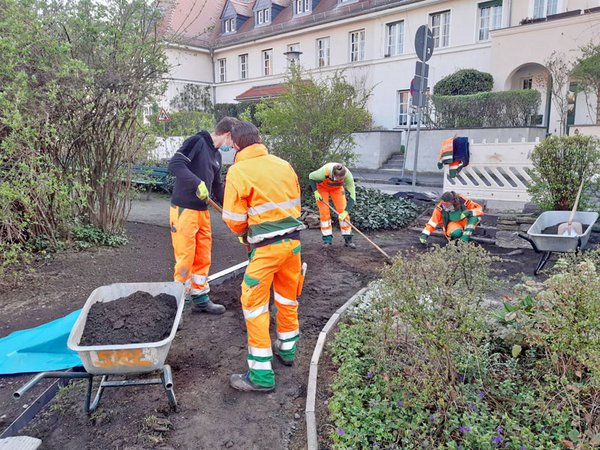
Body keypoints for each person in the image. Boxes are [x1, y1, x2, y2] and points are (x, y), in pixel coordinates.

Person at [222, 121, 304, 392]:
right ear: (259, 138)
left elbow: (234, 219)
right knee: (286, 298)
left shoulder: (238, 171)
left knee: (254, 305)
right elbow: (295, 204)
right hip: (292, 245)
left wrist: (245, 232)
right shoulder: (284, 165)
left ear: (235, 144)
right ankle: (287, 350)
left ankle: (261, 377)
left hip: (266, 250)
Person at [168, 116, 239, 314]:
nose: (233, 146)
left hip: (202, 212)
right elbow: (175, 164)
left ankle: (200, 298)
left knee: (203, 257)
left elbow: (217, 186)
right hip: (184, 210)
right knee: (185, 258)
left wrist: (232, 210)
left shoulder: (216, 156)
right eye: (233, 141)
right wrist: (196, 182)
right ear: (227, 134)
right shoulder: (197, 142)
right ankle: (178, 307)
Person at [308, 163, 357, 248]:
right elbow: (311, 176)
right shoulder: (324, 172)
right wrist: (315, 192)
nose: (340, 180)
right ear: (333, 174)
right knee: (324, 212)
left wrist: (346, 212)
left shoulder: (348, 176)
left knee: (342, 210)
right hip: (322, 188)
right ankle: (327, 240)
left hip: (337, 189)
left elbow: (353, 196)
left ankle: (348, 239)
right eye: (338, 178)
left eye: (342, 179)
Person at [420, 191, 484, 244]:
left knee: (474, 218)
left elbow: (479, 209)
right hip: (453, 224)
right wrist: (424, 234)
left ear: (453, 202)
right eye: (443, 204)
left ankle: (464, 239)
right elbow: (433, 222)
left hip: (465, 221)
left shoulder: (463, 200)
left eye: (446, 204)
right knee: (456, 233)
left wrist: (469, 212)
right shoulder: (440, 208)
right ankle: (457, 240)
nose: (444, 206)